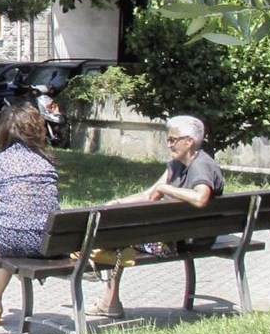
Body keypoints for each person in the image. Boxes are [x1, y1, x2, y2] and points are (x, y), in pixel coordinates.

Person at [92, 114, 225, 317]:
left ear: (189, 141)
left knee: (118, 238)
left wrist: (166, 189)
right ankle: (100, 279)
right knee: (118, 235)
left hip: (186, 241)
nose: (169, 145)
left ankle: (108, 300)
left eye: (173, 140)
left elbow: (200, 198)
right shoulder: (177, 165)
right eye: (168, 140)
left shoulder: (201, 166)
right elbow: (151, 194)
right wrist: (119, 202)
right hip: (181, 235)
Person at [0, 104, 60, 325]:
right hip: (48, 243)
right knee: (8, 220)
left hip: (9, 241)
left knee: (1, 219)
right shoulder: (47, 164)